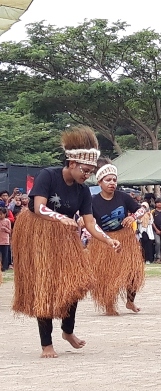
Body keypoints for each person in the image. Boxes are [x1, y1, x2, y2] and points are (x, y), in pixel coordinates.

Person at [12, 126, 121, 358]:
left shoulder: (82, 191)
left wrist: (108, 240)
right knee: (46, 287)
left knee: (75, 284)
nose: (87, 175)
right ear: (72, 163)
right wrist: (62, 218)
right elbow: (39, 207)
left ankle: (67, 330)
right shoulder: (48, 175)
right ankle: (46, 344)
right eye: (85, 170)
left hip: (64, 239)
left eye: (91, 172)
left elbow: (90, 224)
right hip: (38, 235)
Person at [87, 159, 147, 315]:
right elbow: (87, 221)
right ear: (99, 182)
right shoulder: (93, 201)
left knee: (134, 273)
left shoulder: (123, 197)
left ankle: (130, 301)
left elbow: (141, 210)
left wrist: (133, 217)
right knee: (107, 275)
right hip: (104, 241)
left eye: (114, 179)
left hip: (125, 238)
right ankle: (109, 305)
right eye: (108, 180)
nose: (112, 183)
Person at [0, 207, 10, 272]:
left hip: (5, 241)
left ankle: (4, 267)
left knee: (5, 255)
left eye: (1, 214)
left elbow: (10, 231)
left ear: (5, 214)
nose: (0, 215)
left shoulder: (7, 221)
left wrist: (5, 229)